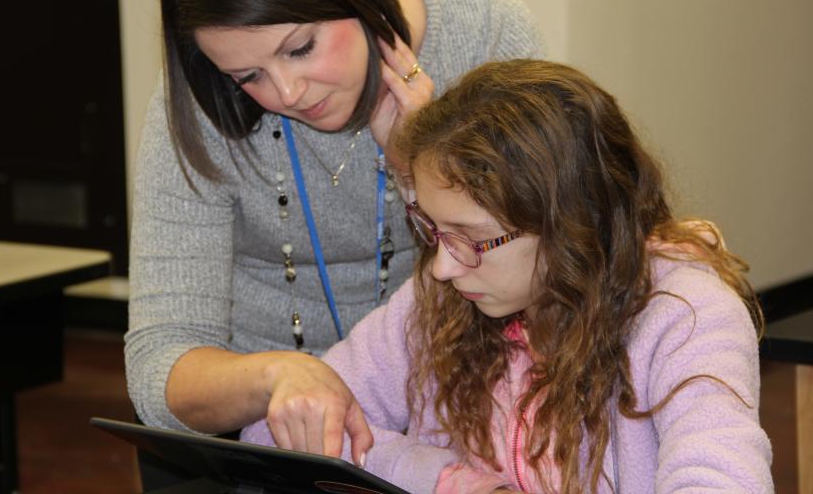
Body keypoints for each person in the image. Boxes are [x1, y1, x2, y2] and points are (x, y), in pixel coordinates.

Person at [124, 0, 546, 459]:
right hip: (259, 435)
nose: (288, 91)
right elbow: (158, 365)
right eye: (248, 77)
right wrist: (277, 376)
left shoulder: (483, 32)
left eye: (300, 48)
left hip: (457, 415)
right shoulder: (201, 104)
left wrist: (416, 172)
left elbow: (537, 263)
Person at [242, 60, 774, 493]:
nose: (444, 267)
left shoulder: (685, 314)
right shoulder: (442, 295)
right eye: (434, 229)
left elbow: (723, 480)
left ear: (571, 224)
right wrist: (452, 482)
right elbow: (272, 434)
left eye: (472, 238)